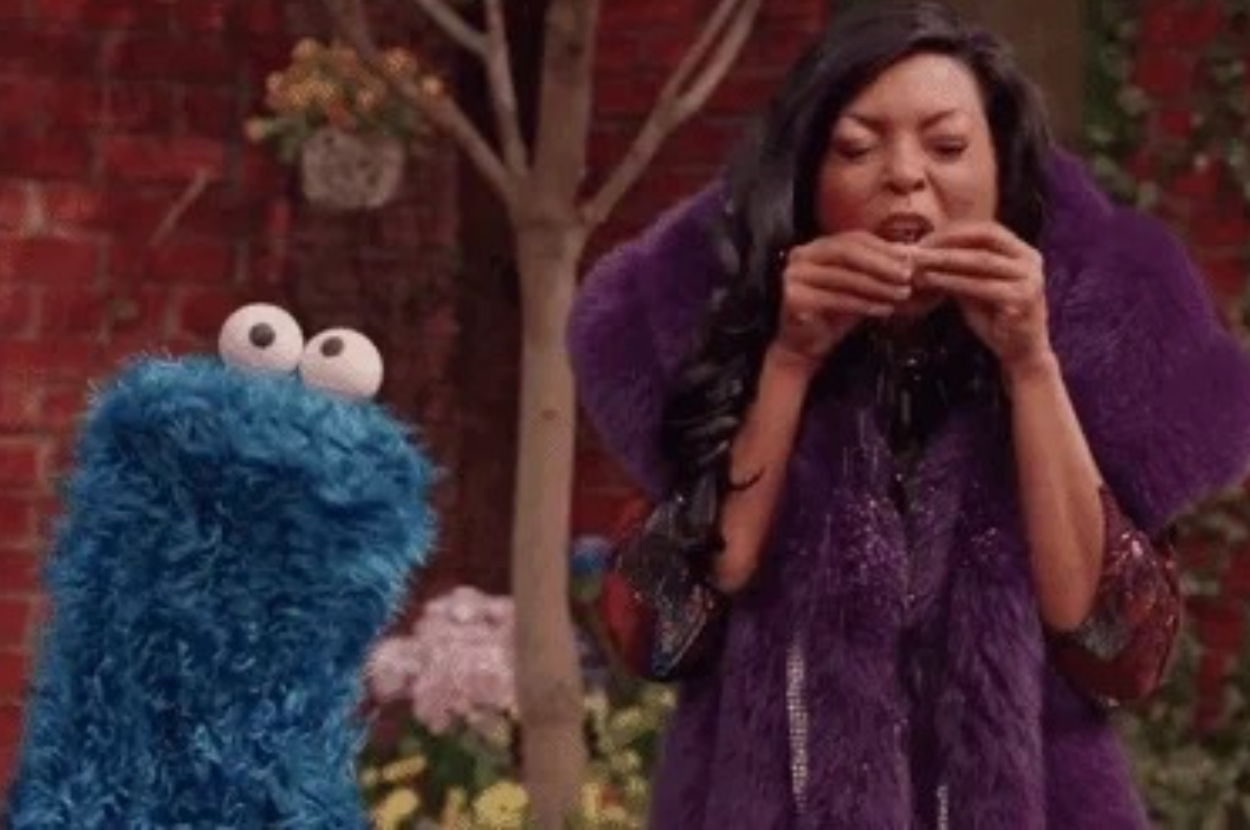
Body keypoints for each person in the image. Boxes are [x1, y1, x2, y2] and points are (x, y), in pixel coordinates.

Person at [566, 2, 1250, 828]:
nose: (904, 174)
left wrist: (1032, 365)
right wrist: (787, 362)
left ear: (1001, 173)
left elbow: (1116, 651)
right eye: (857, 147)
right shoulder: (722, 334)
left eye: (948, 145)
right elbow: (656, 637)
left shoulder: (1093, 340)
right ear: (810, 182)